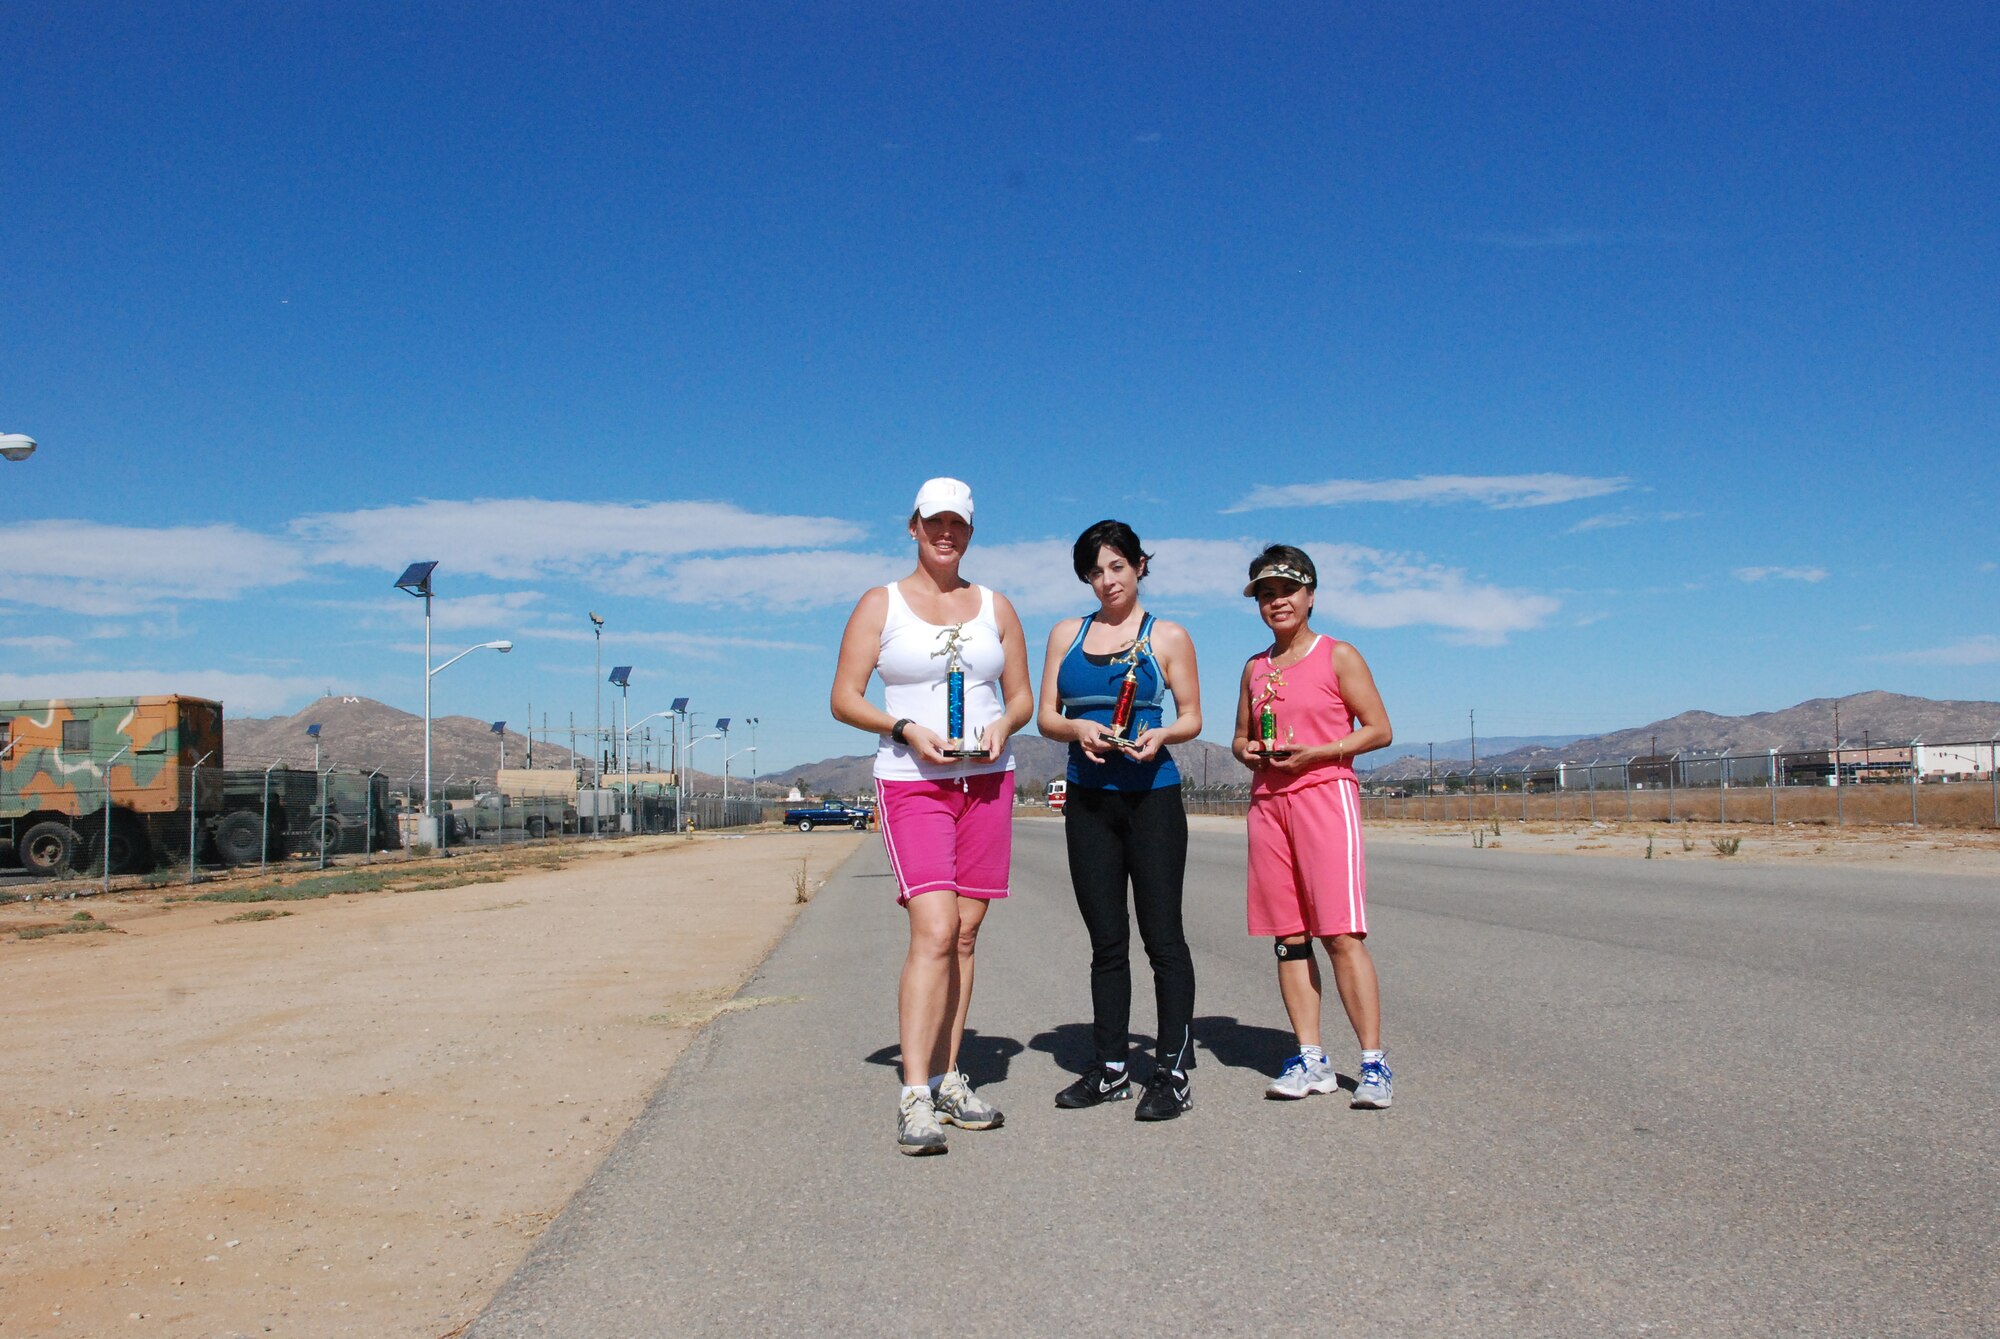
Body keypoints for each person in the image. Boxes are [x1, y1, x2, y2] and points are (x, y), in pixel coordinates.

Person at [831, 477, 1035, 1155]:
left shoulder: (996, 605)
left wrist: (1005, 725)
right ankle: (913, 1093)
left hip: (986, 780)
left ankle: (950, 1076)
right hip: (914, 781)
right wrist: (905, 726)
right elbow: (844, 696)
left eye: (959, 523)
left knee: (967, 933)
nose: (947, 532)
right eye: (935, 521)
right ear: (912, 525)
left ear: (970, 531)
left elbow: (1021, 696)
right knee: (936, 926)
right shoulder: (880, 604)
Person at [1037, 520, 1204, 1121]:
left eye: (1117, 567)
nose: (1107, 580)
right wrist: (1078, 728)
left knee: (1163, 940)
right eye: (1095, 570)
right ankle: (1111, 1067)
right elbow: (1045, 717)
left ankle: (1171, 1070)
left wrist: (1161, 734)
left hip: (1152, 799)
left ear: (1139, 566)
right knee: (1106, 942)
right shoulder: (1066, 634)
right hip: (1088, 802)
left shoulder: (1169, 636)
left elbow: (1191, 717)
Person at [1230, 544, 1395, 1109]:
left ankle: (1373, 1065)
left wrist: (1319, 754)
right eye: (1266, 595)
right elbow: (1238, 737)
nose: (1277, 603)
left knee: (1340, 934)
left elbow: (1378, 729)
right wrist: (1250, 751)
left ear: (1310, 595)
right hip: (1269, 805)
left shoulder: (1338, 655)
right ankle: (1311, 1058)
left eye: (1287, 591)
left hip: (1326, 796)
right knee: (1289, 938)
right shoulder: (1256, 668)